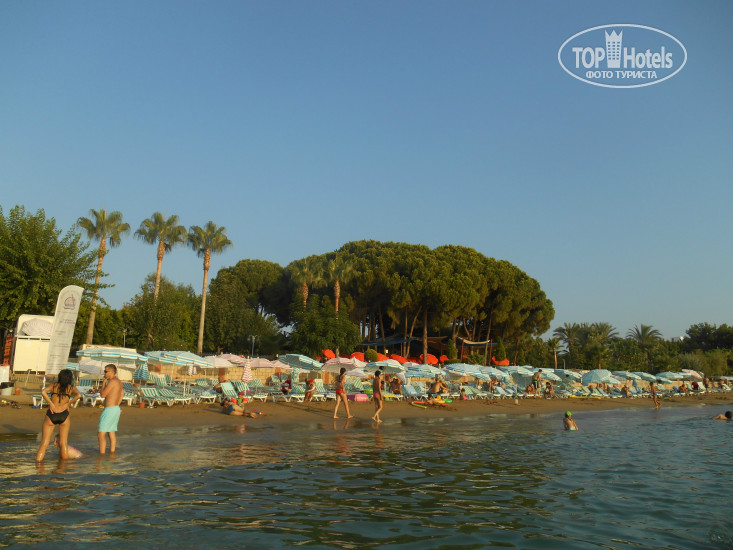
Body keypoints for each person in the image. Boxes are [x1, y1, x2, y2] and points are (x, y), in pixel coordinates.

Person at [36, 368, 82, 461]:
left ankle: (38, 466)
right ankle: (63, 466)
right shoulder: (71, 388)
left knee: (44, 444)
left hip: (52, 413)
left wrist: (51, 404)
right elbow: (79, 395)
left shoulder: (54, 386)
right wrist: (67, 404)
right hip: (64, 414)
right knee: (63, 444)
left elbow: (43, 392)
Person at [98, 364, 123, 454]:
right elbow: (122, 394)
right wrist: (117, 405)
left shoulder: (112, 382)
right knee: (111, 432)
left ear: (112, 372)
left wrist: (103, 383)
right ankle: (112, 454)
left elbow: (103, 394)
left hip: (110, 410)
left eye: (106, 371)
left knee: (101, 434)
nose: (104, 373)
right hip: (115, 409)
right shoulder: (118, 381)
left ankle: (102, 455)